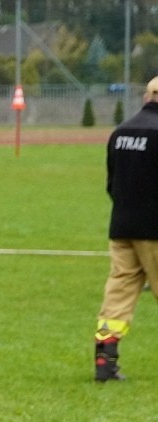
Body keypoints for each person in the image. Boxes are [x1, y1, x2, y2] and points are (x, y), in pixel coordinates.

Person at [93, 76, 158, 381]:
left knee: (118, 292)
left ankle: (105, 359)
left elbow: (111, 182)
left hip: (122, 226)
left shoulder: (121, 132)